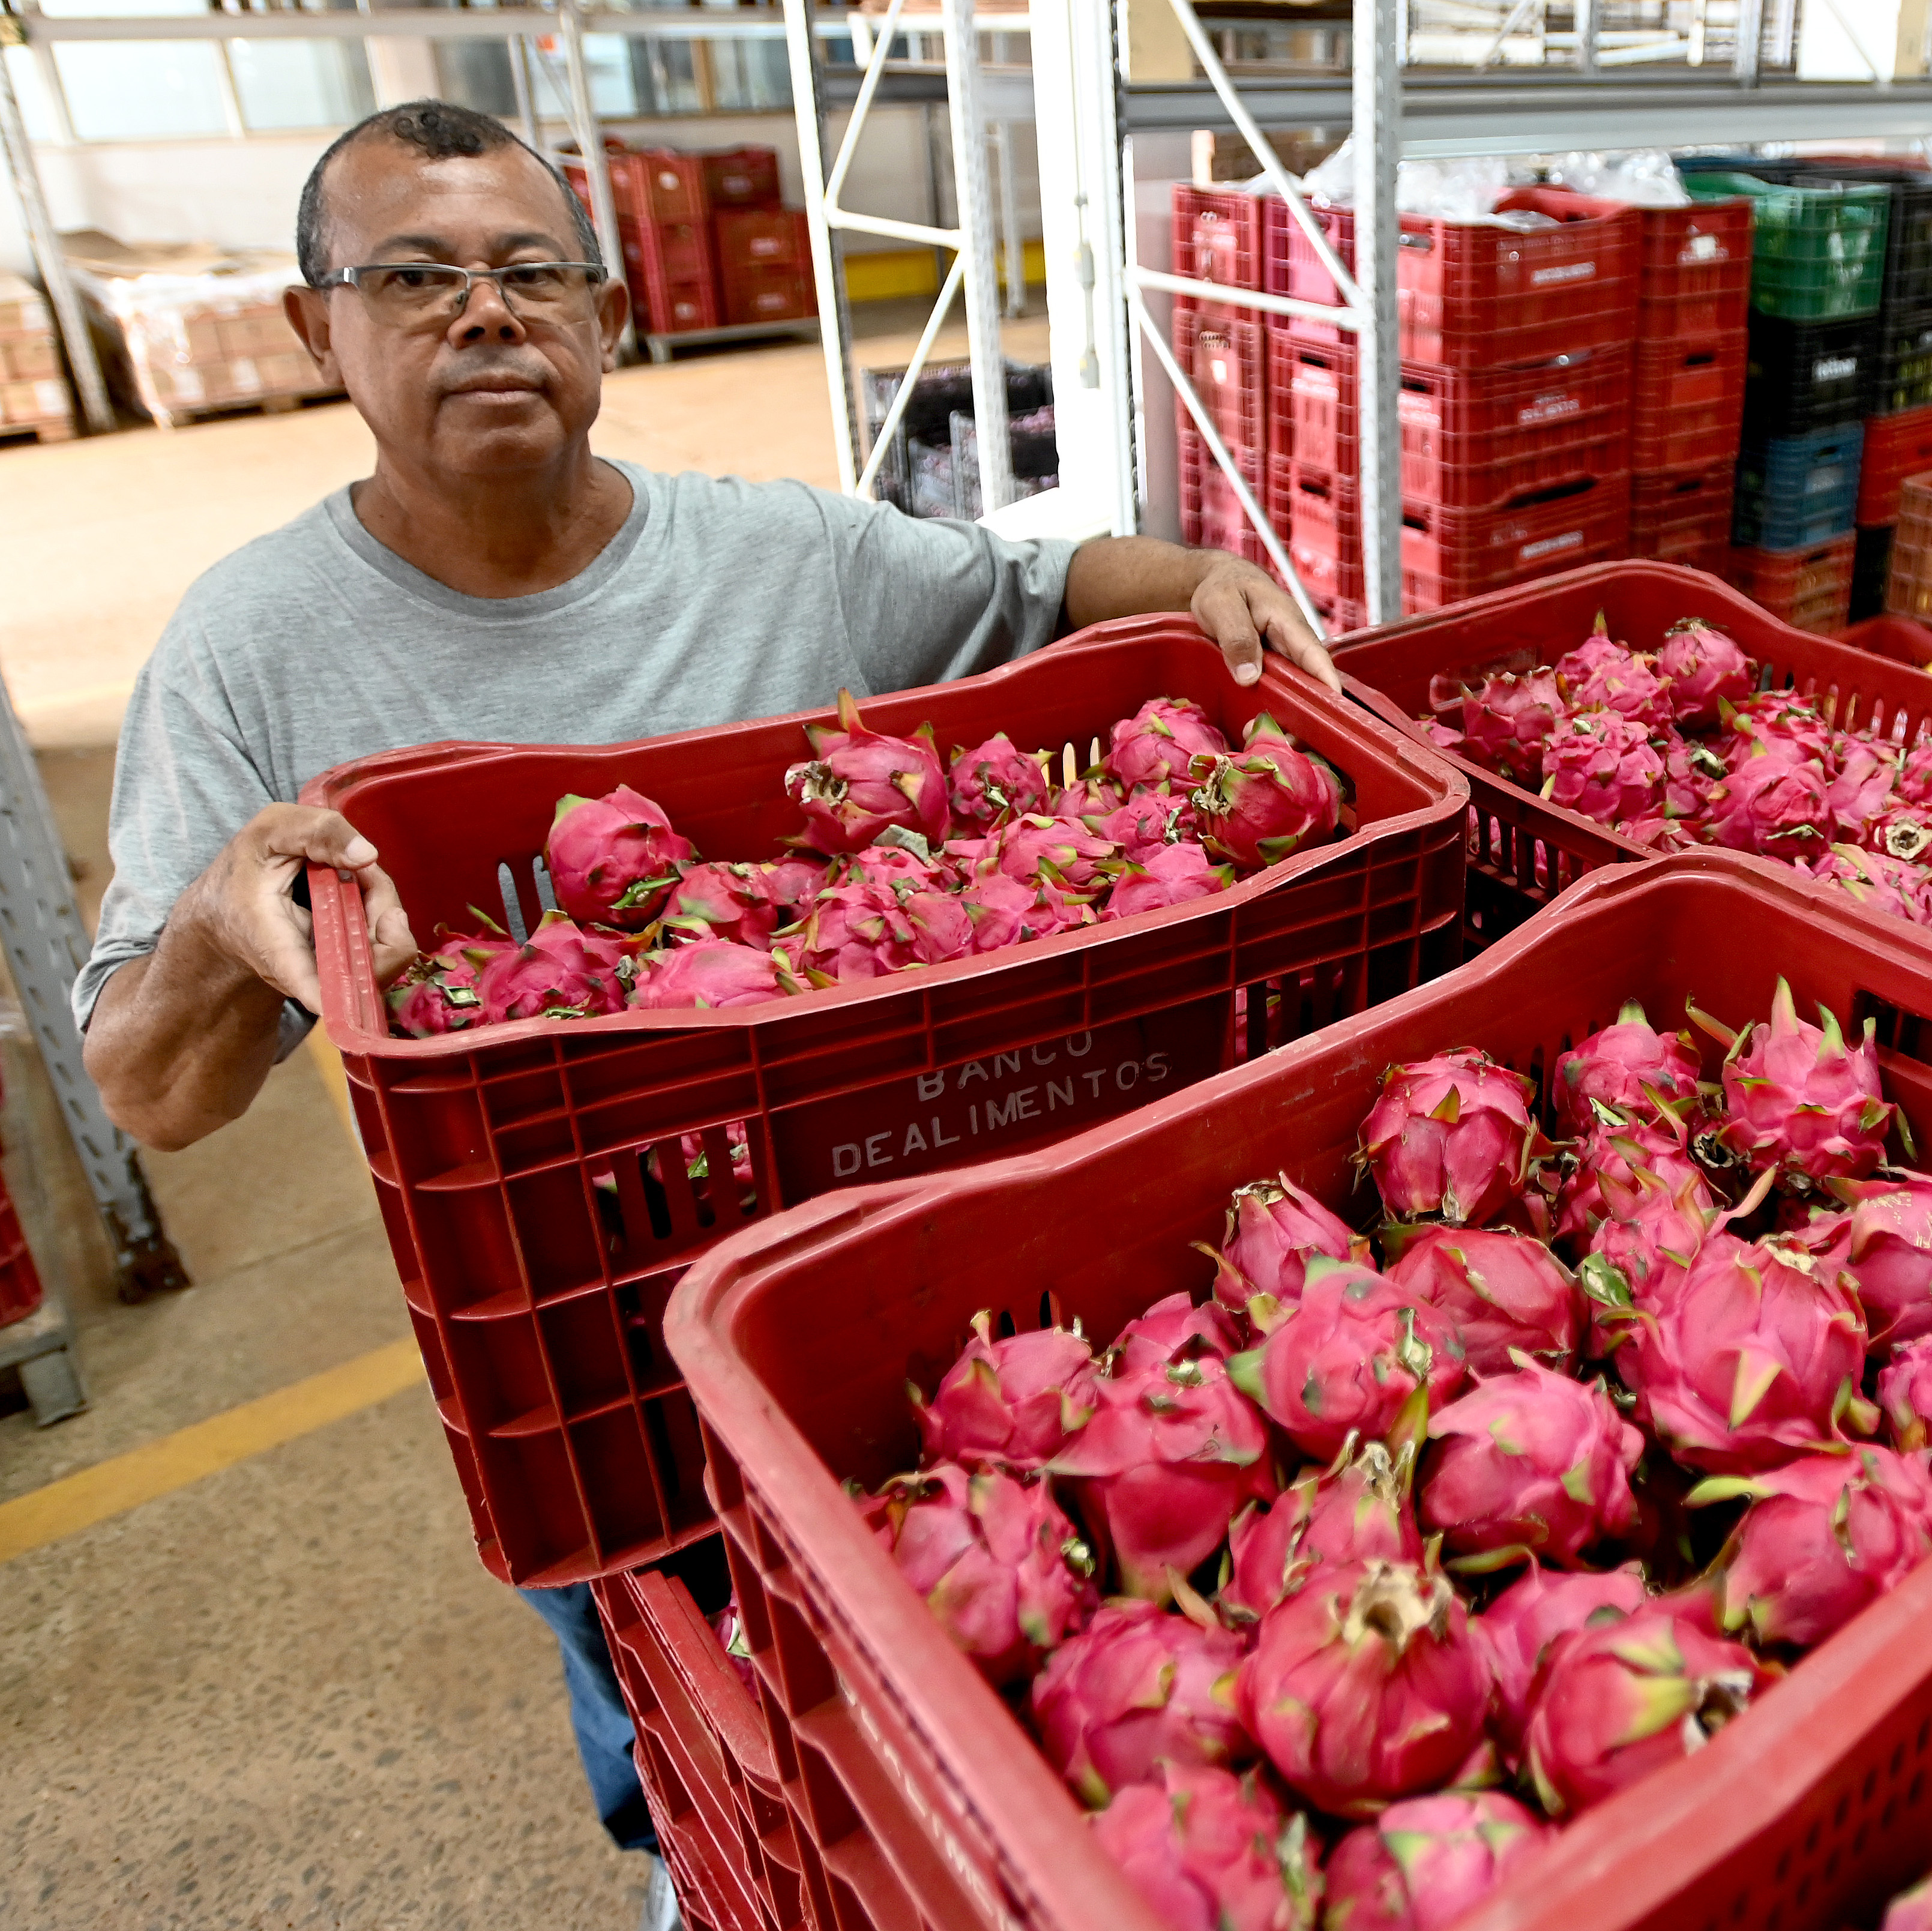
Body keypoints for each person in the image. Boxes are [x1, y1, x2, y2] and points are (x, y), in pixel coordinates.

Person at [73, 99, 1329, 1927]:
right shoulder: (247, 648)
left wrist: (1204, 585)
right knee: (669, 1689)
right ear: (309, 328)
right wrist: (216, 915)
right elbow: (150, 1088)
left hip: (885, 1225)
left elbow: (1043, 584)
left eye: (529, 274)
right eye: (414, 280)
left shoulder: (784, 554)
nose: (483, 318)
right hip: (588, 1335)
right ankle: (695, 1851)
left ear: (605, 314)